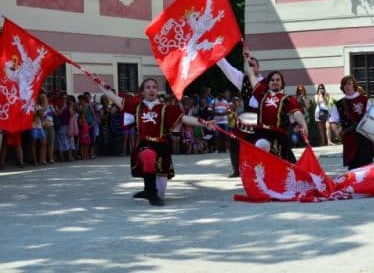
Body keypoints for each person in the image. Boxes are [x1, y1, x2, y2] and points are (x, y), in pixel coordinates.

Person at [96, 78, 214, 206]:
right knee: (148, 155)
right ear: (142, 91)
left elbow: (185, 118)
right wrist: (99, 83)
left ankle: (148, 190)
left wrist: (205, 124)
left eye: (154, 87)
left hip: (162, 146)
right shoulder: (136, 106)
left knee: (161, 194)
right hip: (145, 144)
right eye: (148, 87)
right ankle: (151, 192)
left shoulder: (166, 108)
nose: (151, 90)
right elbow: (115, 99)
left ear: (157, 90)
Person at [244, 61, 308, 163]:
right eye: (272, 80)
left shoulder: (288, 98)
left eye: (278, 80)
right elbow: (250, 74)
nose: (275, 82)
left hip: (279, 136)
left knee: (289, 168)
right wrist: (246, 57)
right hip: (262, 133)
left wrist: (304, 126)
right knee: (261, 146)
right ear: (268, 83)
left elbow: (297, 114)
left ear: (282, 83)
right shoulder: (262, 94)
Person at [217, 48, 264, 176]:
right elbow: (226, 67)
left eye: (253, 65)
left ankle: (261, 168)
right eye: (248, 65)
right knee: (234, 139)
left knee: (261, 143)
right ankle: (236, 169)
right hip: (248, 116)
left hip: (262, 117)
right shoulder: (241, 79)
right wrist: (216, 53)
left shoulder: (265, 82)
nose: (250, 67)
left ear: (258, 67)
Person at [329, 75, 374, 170]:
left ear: (354, 85)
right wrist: (336, 132)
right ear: (342, 87)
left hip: (364, 137)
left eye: (349, 84)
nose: (347, 86)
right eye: (345, 84)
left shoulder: (364, 100)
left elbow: (373, 117)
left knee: (366, 166)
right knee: (353, 166)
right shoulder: (339, 104)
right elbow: (333, 120)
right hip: (349, 139)